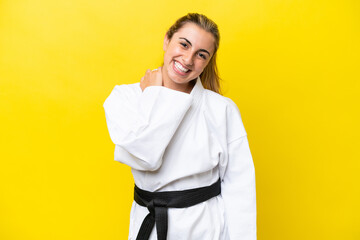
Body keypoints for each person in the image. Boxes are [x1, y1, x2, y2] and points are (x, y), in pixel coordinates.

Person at [103, 13, 257, 240]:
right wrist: (153, 97)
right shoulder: (125, 98)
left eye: (201, 55)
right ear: (167, 40)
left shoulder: (221, 109)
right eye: (183, 44)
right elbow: (145, 156)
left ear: (207, 62)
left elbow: (240, 188)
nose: (187, 59)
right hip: (149, 225)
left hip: (205, 228)